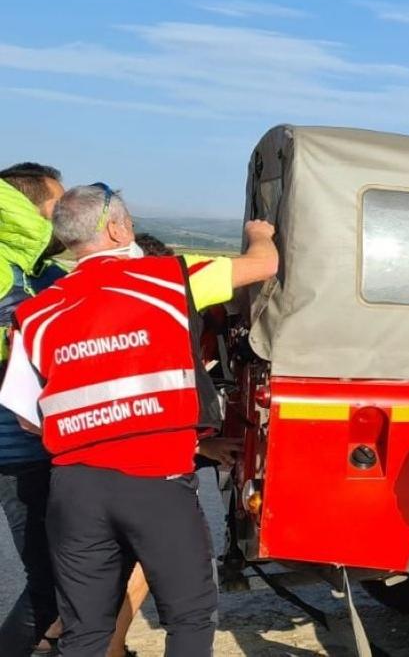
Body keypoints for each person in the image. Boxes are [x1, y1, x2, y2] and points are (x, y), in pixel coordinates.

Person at [0, 184, 278, 657]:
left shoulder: (37, 312)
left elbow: (28, 419)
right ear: (115, 227)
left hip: (73, 490)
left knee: (85, 630)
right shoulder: (169, 278)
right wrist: (260, 232)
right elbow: (263, 266)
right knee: (189, 617)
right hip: (155, 483)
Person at [106, 231, 242, 657]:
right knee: (190, 595)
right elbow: (144, 415)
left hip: (106, 472)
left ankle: (104, 645)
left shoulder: (112, 316)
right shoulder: (160, 313)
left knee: (134, 563)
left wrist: (202, 448)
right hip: (151, 472)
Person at [0, 163, 66, 656]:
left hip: (35, 448)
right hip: (15, 450)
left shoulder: (34, 268)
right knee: (51, 590)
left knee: (61, 581)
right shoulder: (6, 266)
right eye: (57, 206)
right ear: (30, 206)